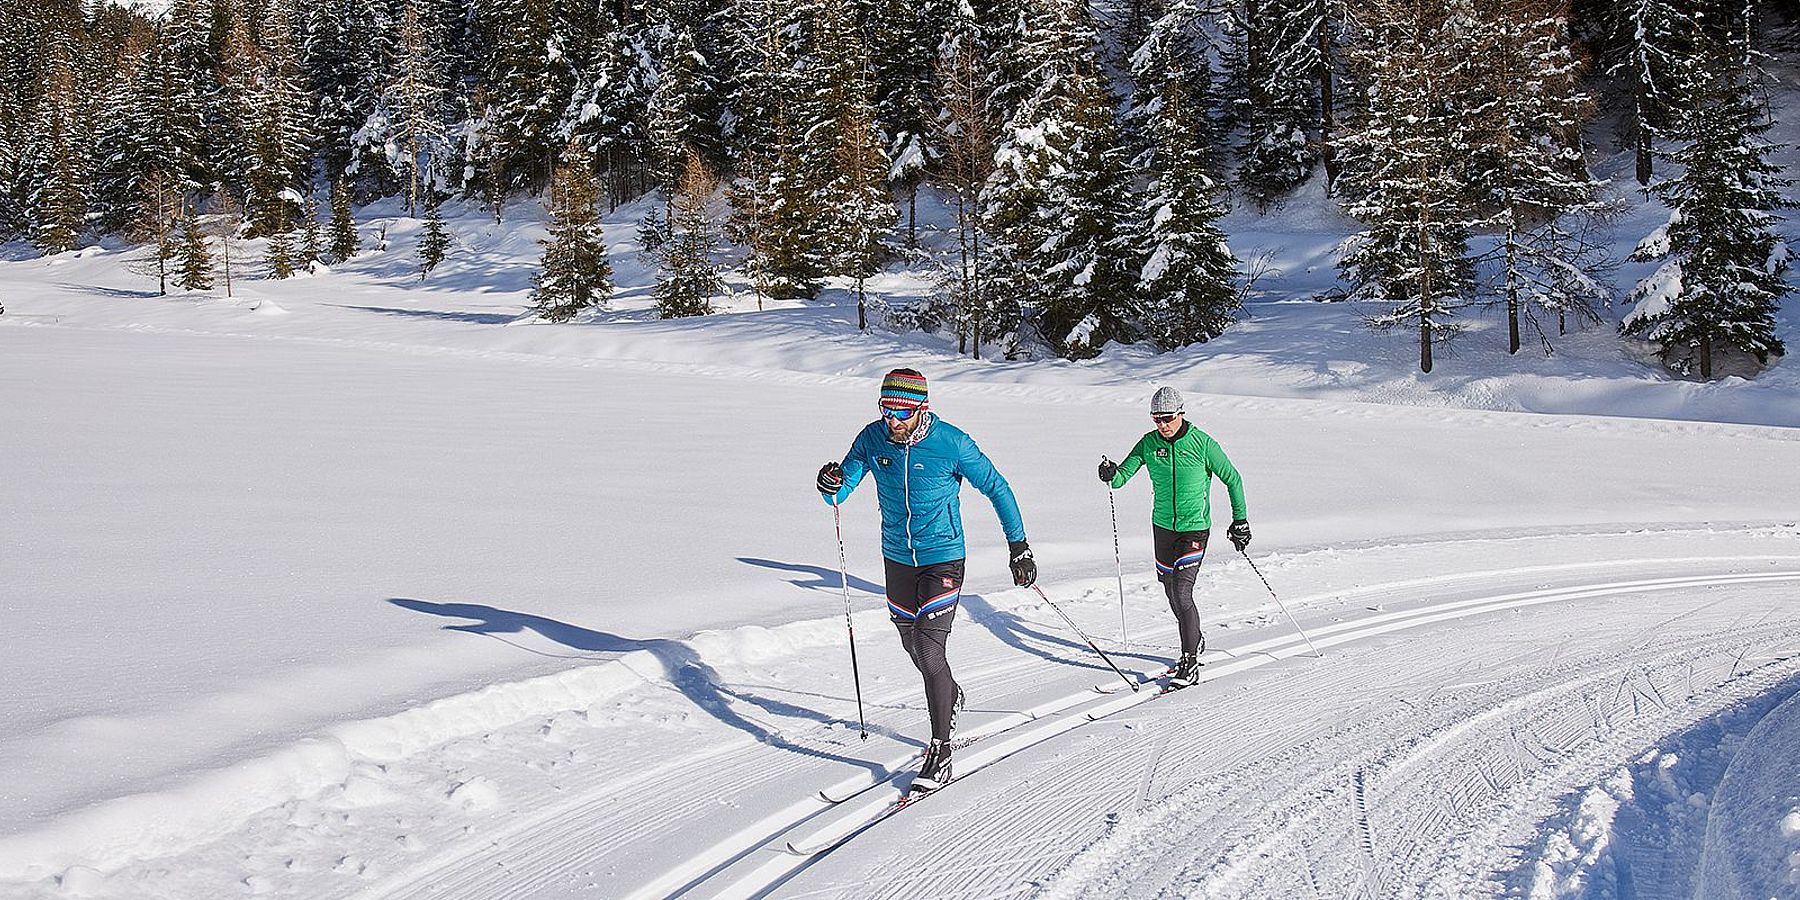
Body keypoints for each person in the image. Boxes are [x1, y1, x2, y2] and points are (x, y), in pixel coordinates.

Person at [816, 368, 1036, 791]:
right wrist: (829, 484)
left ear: (921, 408)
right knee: (908, 640)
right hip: (897, 557)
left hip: (944, 557)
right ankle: (949, 694)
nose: (893, 420)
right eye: (886, 409)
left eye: (901, 411)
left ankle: (940, 747)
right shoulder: (872, 438)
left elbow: (997, 487)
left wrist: (1019, 546)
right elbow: (840, 493)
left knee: (928, 645)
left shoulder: (951, 442)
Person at [1099, 386, 1248, 689]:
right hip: (1163, 528)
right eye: (1156, 419)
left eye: (1167, 418)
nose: (1162, 425)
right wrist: (1110, 473)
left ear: (1181, 413)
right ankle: (1195, 638)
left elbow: (1232, 478)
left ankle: (1190, 661)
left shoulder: (1202, 443)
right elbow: (1121, 478)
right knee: (1170, 590)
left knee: (1182, 591)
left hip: (1194, 528)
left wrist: (1240, 520)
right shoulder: (1149, 443)